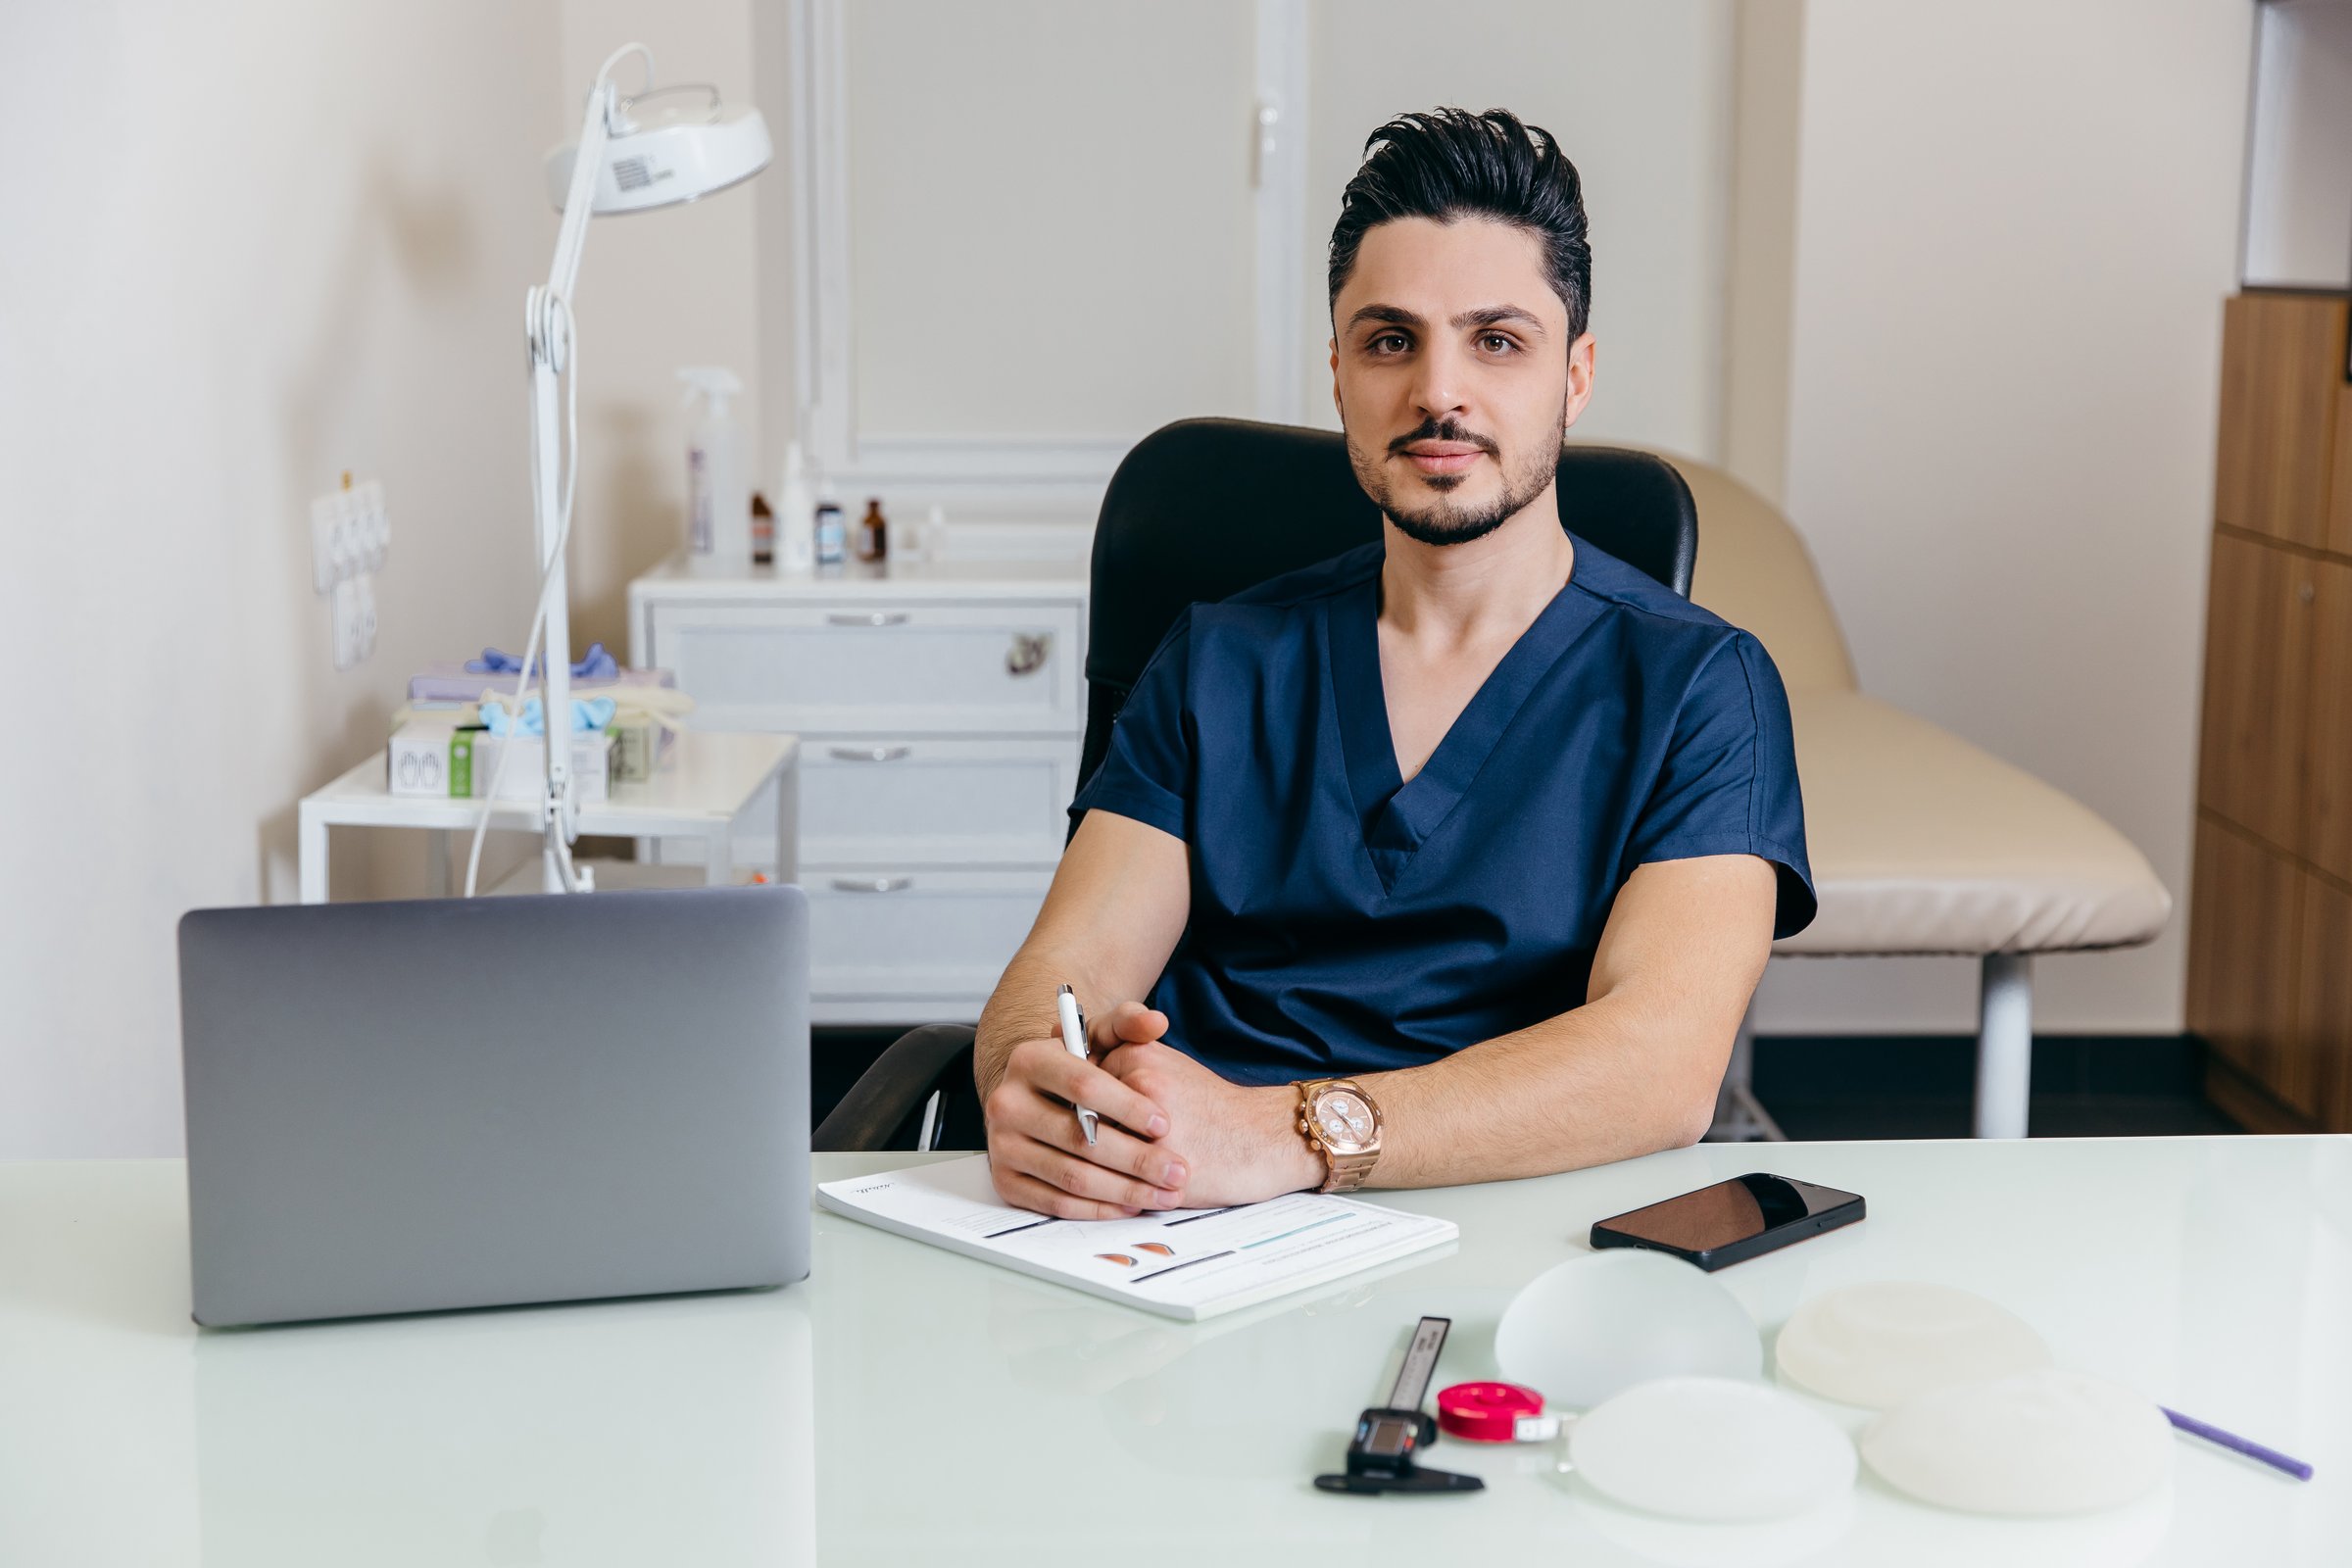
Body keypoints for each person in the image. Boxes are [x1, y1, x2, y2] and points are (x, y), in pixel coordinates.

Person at [974, 108, 1815, 1218]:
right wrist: (1038, 1085)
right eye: (1389, 341)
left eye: (1497, 340)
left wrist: (1287, 1134)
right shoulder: (1219, 659)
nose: (1438, 392)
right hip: (1181, 1213)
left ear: (1576, 375)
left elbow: (1661, 1065)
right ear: (1338, 374)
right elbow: (1061, 976)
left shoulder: (1700, 688)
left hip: (1502, 1222)